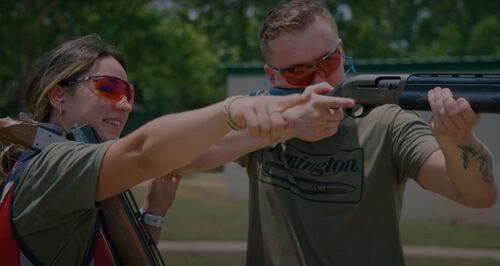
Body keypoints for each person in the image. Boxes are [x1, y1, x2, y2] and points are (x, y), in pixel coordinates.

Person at [179, 1, 498, 265]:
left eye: (327, 61)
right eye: (298, 71)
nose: (318, 79)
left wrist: (457, 138)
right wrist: (283, 127)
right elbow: (181, 159)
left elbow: (478, 196)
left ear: (341, 51)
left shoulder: (387, 121)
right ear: (271, 76)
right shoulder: (262, 114)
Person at [0, 34, 348, 265]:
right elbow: (144, 153)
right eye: (108, 87)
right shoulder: (54, 166)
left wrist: (152, 214)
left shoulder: (71, 162)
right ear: (58, 96)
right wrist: (234, 109)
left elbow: (194, 155)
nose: (123, 105)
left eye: (128, 93)